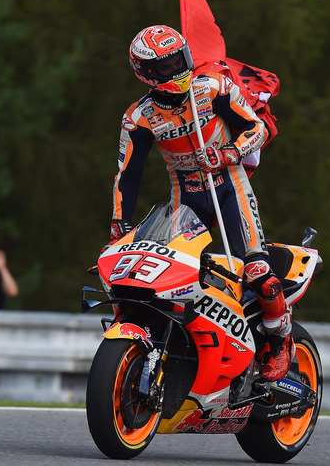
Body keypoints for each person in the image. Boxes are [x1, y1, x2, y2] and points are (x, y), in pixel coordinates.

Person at [110, 25, 293, 381]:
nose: (176, 69)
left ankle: (280, 339)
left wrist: (229, 153)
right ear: (145, 73)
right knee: (168, 276)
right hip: (186, 198)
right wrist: (119, 227)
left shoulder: (212, 87)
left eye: (179, 59)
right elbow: (127, 176)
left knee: (257, 270)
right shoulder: (137, 118)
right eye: (166, 66)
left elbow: (255, 128)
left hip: (230, 186)